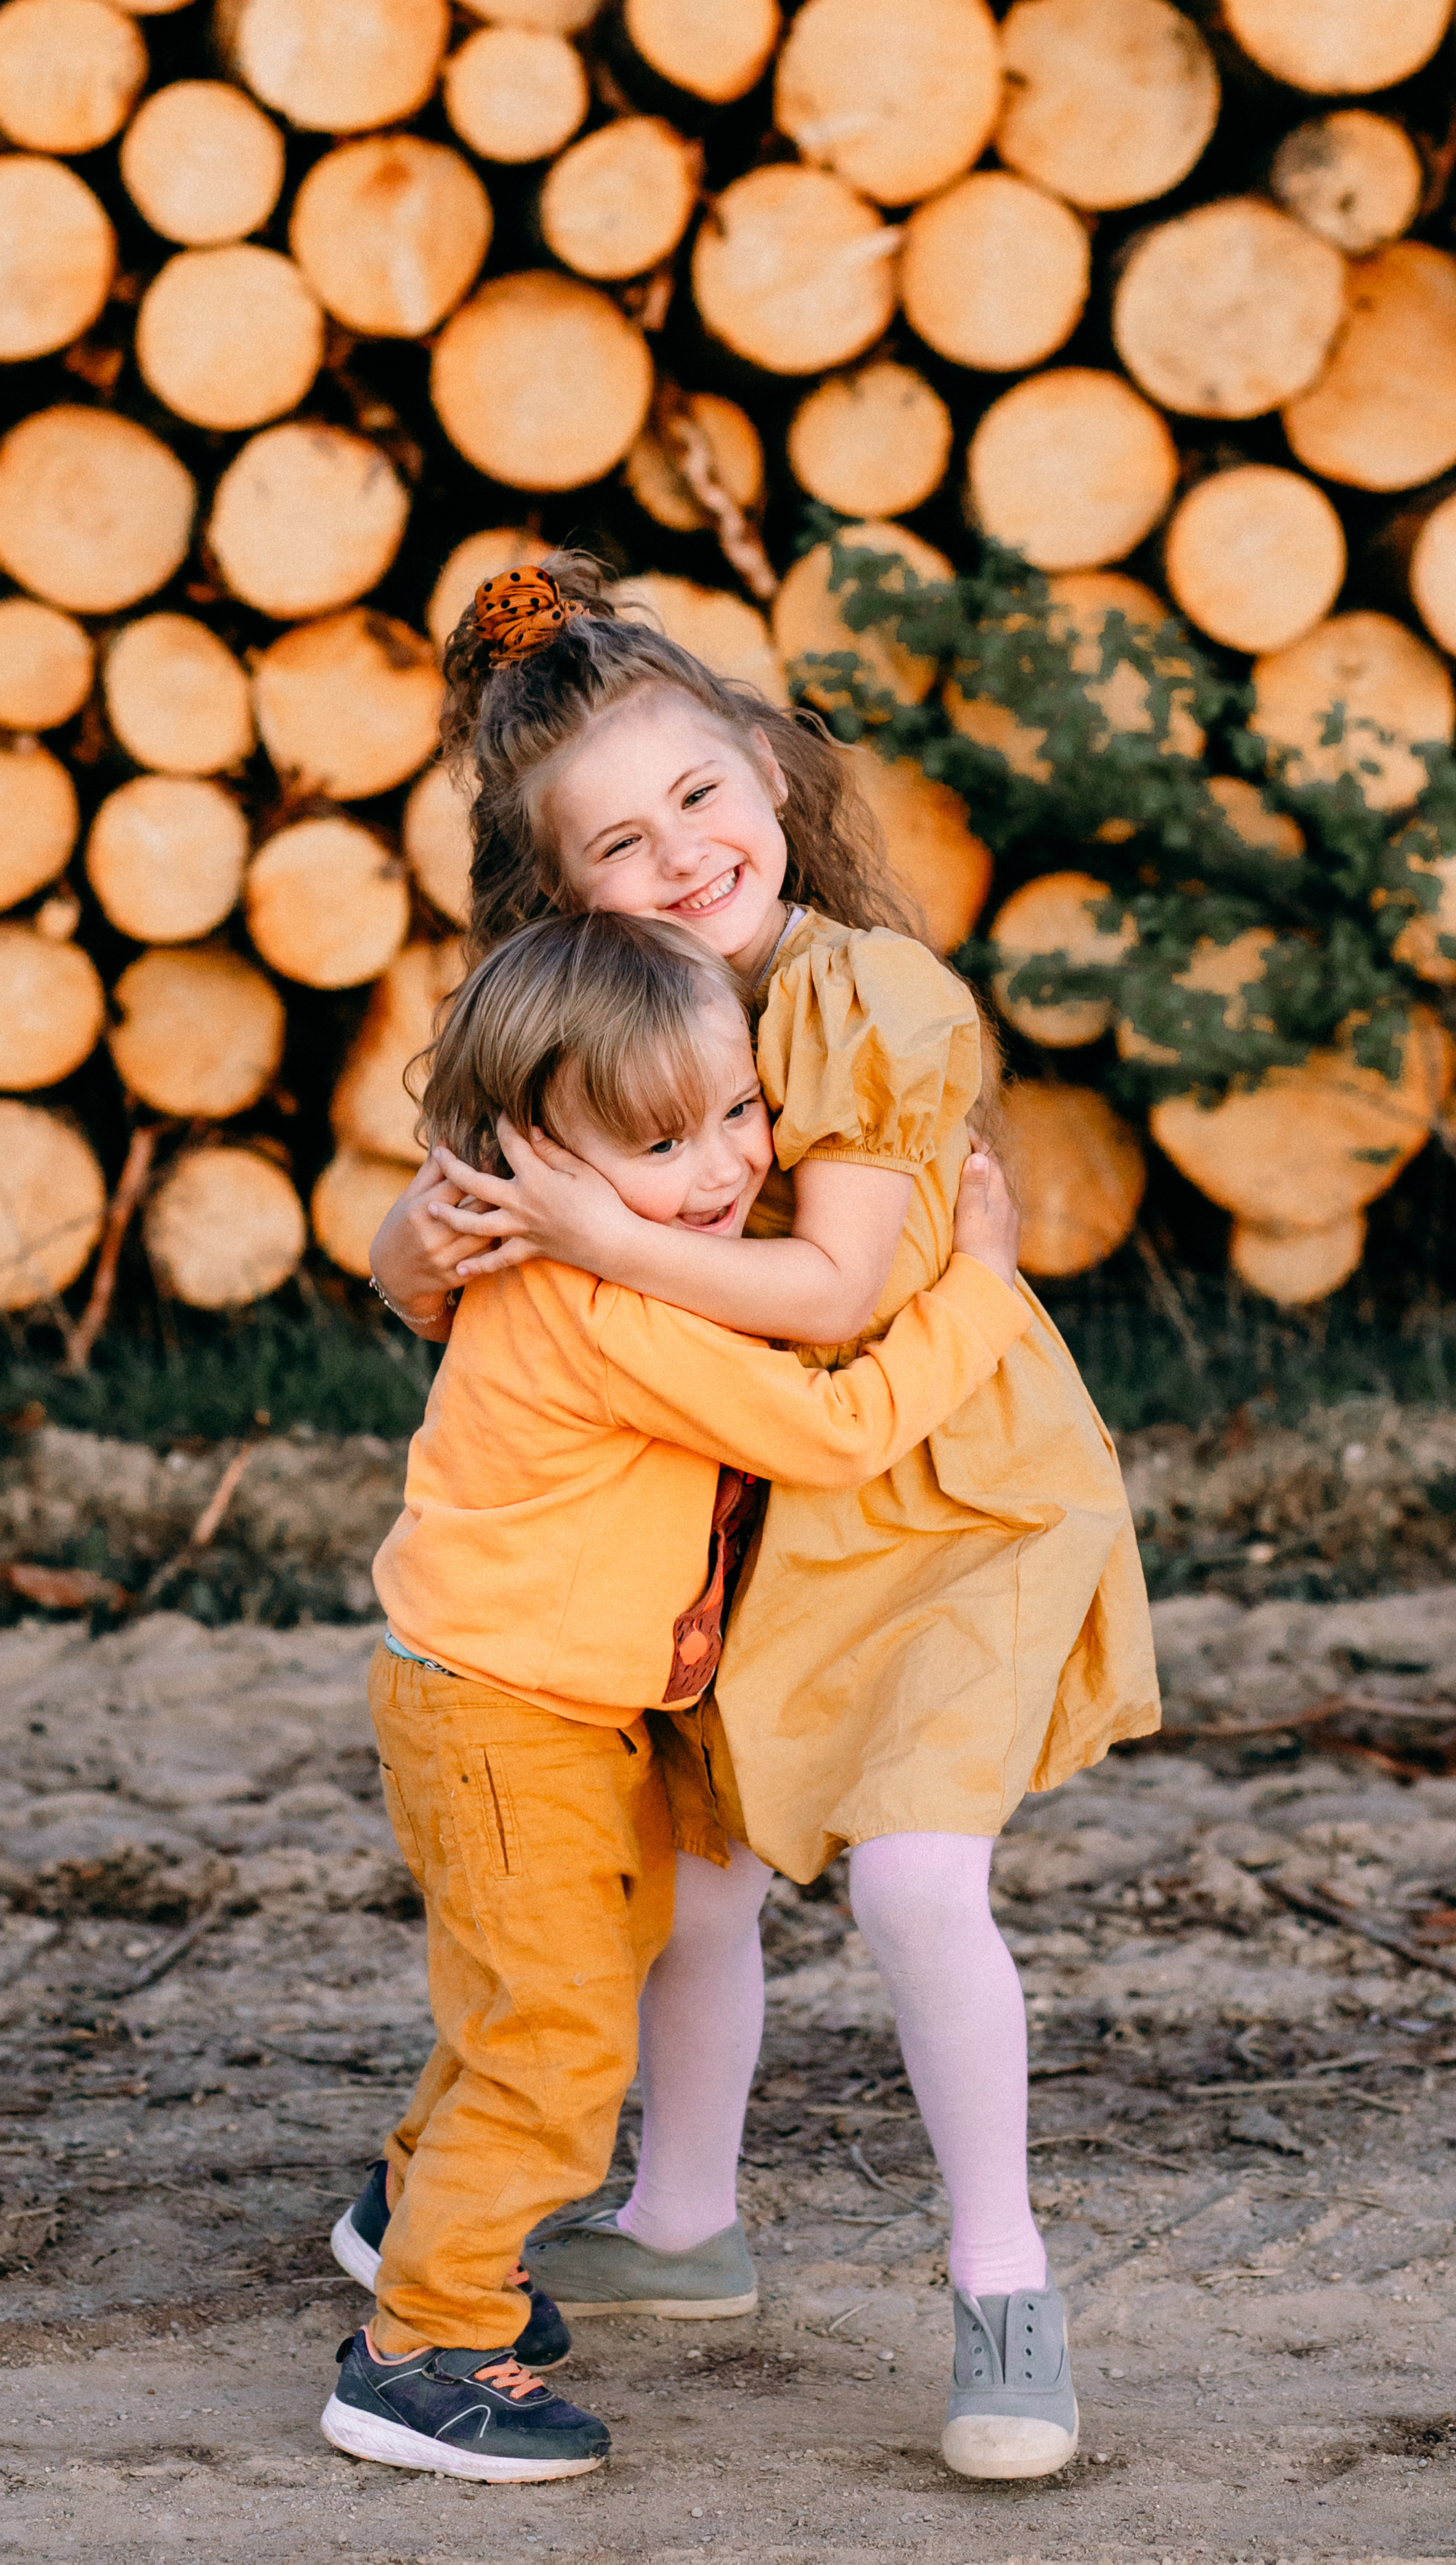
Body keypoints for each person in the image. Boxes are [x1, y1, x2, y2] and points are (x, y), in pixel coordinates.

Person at [368, 556, 1160, 2482]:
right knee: (697, 1882)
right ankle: (676, 2222)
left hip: (933, 1480)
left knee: (907, 1879)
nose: (687, 854)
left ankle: (1003, 2288)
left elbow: (828, 1297)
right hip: (746, 1501)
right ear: (567, 891)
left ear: (769, 770)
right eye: (625, 842)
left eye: (703, 796)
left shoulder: (870, 994)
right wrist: (433, 1235)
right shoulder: (605, 1017)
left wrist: (596, 1226)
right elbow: (459, 1268)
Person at [322, 906, 1034, 2484]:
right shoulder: (613, 1306)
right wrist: (977, 1290)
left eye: (736, 1112)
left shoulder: (607, 1261)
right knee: (564, 2035)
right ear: (532, 1157)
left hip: (535, 1702)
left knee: (547, 1985)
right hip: (506, 1710)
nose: (720, 1169)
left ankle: (422, 2221)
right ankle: (422, 2350)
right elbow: (830, 1431)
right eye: (658, 1144)